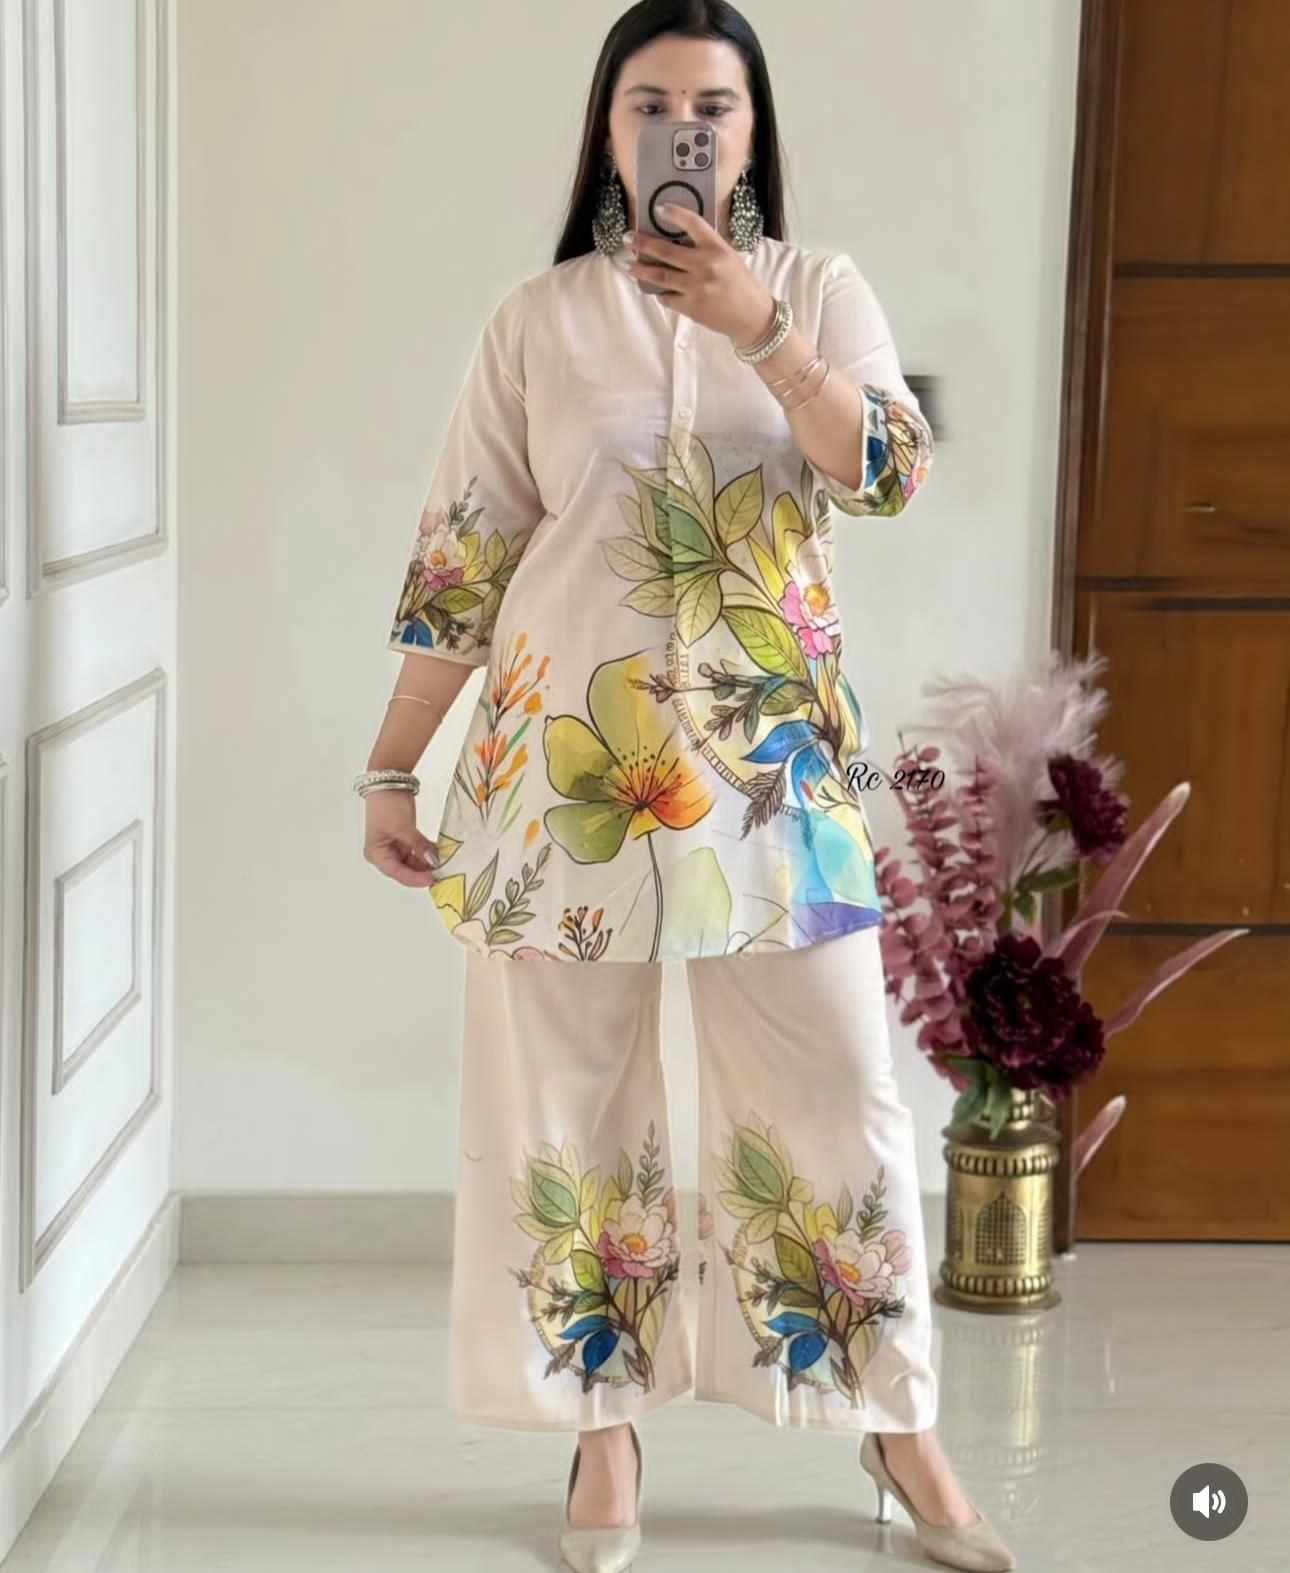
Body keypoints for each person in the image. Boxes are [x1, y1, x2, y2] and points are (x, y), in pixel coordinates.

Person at [357, 4, 1014, 1570]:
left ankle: (896, 1425)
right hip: (560, 777)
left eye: (713, 105)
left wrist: (758, 329)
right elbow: (465, 559)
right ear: (608, 129)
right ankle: (602, 1426)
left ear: (751, 128)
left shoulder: (818, 289)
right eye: (652, 102)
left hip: (773, 778)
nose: (685, 130)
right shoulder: (536, 322)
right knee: (565, 1103)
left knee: (838, 1096)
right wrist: (393, 760)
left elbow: (887, 473)